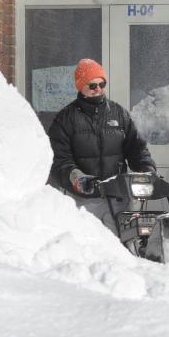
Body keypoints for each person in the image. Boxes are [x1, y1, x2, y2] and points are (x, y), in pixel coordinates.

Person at [48, 58, 157, 236]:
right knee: (88, 247)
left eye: (102, 83)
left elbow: (137, 148)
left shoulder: (119, 114)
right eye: (92, 85)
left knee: (122, 246)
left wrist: (146, 168)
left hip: (118, 197)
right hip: (82, 201)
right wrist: (77, 177)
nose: (98, 89)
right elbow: (59, 160)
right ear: (80, 86)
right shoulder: (65, 119)